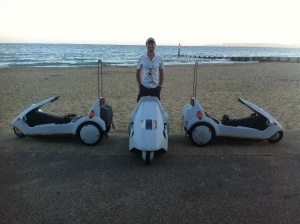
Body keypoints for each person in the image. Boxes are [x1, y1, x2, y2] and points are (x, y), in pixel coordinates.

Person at [136, 37, 164, 102]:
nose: (150, 45)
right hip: (144, 87)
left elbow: (161, 72)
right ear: (146, 45)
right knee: (140, 105)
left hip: (155, 87)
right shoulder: (142, 57)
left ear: (155, 45)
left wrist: (160, 85)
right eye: (149, 44)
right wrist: (139, 85)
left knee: (155, 108)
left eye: (152, 44)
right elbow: (137, 72)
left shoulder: (159, 58)